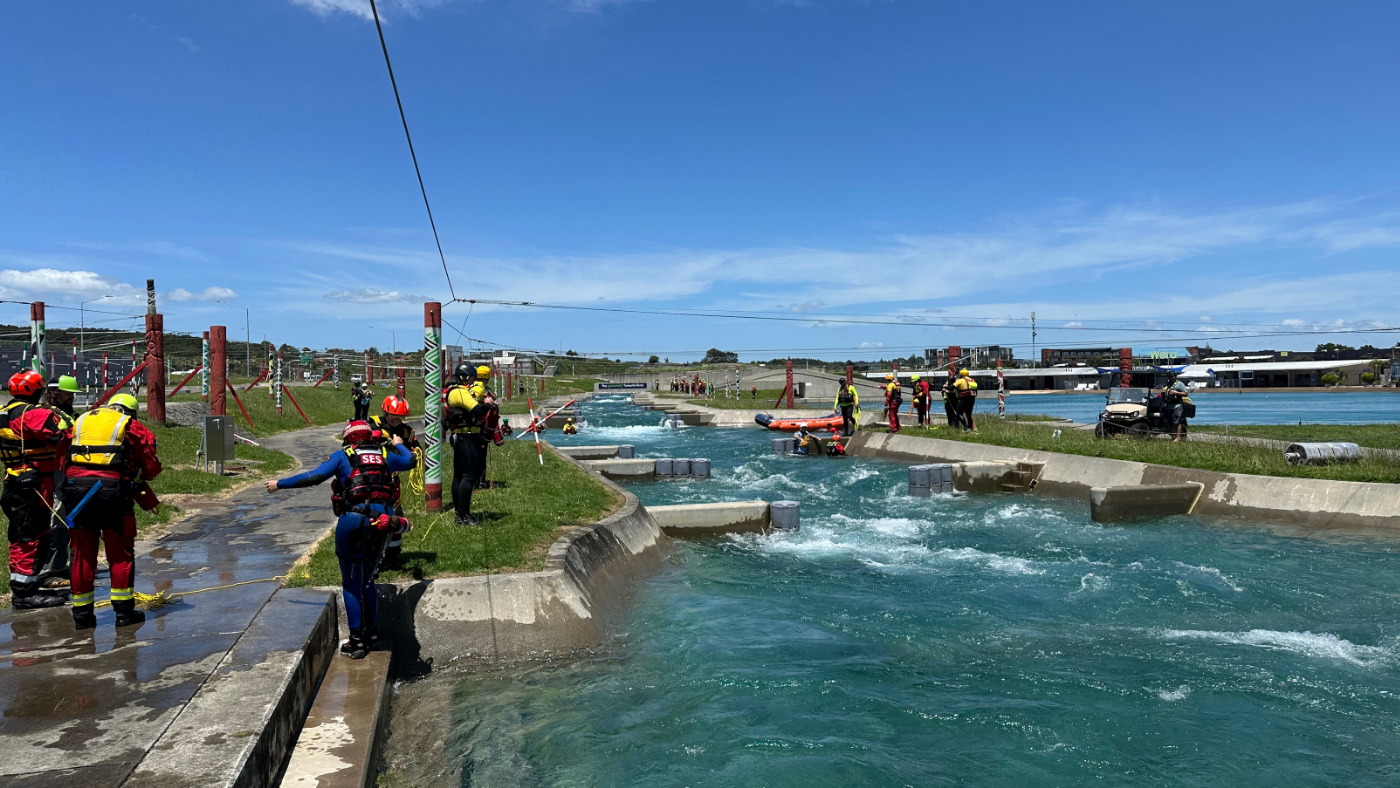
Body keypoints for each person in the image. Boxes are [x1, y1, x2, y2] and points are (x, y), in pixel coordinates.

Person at [266, 421, 412, 658]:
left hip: (354, 520)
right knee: (367, 579)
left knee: (352, 583)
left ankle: (357, 642)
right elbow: (411, 461)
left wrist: (279, 484)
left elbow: (314, 477)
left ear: (349, 438)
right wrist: (399, 444)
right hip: (384, 520)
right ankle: (372, 633)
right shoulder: (387, 454)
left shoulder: (343, 455)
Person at [62, 393, 163, 629]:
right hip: (113, 494)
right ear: (131, 412)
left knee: (81, 554)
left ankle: (82, 617)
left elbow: (62, 454)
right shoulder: (130, 426)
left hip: (76, 493)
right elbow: (150, 466)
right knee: (120, 554)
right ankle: (124, 614)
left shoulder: (81, 421)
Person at [2, 370, 74, 609]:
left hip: (14, 480)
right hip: (34, 485)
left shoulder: (4, 412)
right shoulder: (32, 414)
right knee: (30, 537)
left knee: (23, 535)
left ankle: (28, 586)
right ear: (36, 391)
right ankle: (24, 593)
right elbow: (60, 438)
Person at [38, 375, 82, 587]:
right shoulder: (48, 415)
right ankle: (47, 570)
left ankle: (59, 564)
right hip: (53, 472)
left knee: (65, 518)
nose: (72, 397)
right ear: (55, 393)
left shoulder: (65, 414)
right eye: (68, 394)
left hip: (65, 471)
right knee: (55, 519)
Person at [368, 395, 419, 571]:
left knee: (396, 517)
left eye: (400, 417)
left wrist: (413, 449)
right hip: (374, 479)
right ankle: (372, 560)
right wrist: (393, 445)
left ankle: (392, 558)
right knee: (374, 518)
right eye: (392, 416)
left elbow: (414, 450)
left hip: (392, 480)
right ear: (385, 412)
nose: (396, 420)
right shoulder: (373, 425)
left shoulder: (406, 431)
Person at [445, 364, 497, 525]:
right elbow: (477, 410)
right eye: (472, 379)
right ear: (464, 377)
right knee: (468, 476)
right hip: (466, 436)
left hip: (461, 436)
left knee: (459, 476)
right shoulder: (459, 391)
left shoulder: (455, 390)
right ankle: (464, 515)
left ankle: (459, 514)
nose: (473, 382)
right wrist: (488, 404)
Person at [1161, 378, 1189, 442]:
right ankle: (1174, 436)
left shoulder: (1180, 384)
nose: (1173, 378)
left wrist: (1176, 392)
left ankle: (1178, 437)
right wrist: (1163, 392)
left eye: (1174, 376)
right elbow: (1163, 392)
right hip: (1169, 406)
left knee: (1177, 422)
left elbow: (1186, 394)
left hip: (1177, 405)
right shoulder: (1167, 384)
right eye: (1171, 377)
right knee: (1172, 422)